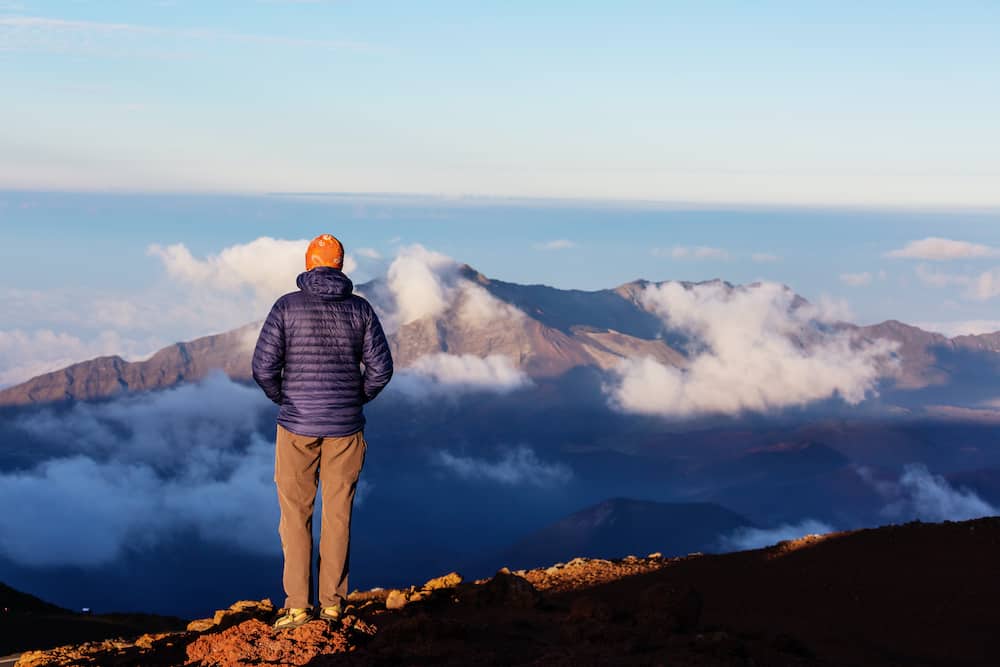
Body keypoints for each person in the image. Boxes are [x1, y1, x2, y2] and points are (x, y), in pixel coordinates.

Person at [252, 233, 393, 629]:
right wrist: (353, 399)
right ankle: (332, 605)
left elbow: (263, 368)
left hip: (296, 427)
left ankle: (297, 606)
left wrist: (288, 400)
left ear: (308, 262)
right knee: (338, 516)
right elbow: (381, 369)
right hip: (346, 429)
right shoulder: (360, 310)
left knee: (295, 516)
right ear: (342, 266)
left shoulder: (285, 307)